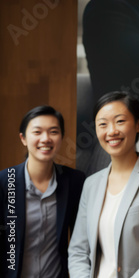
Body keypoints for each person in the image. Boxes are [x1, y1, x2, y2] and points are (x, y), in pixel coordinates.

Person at [68, 91, 139, 277]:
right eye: (103, 124)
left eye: (120, 121)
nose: (111, 131)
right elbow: (78, 251)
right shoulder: (91, 184)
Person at [0, 106, 85, 278]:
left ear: (61, 138)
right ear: (23, 138)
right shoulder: (4, 181)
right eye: (37, 132)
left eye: (53, 132)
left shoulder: (74, 181)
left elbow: (81, 240)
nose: (45, 139)